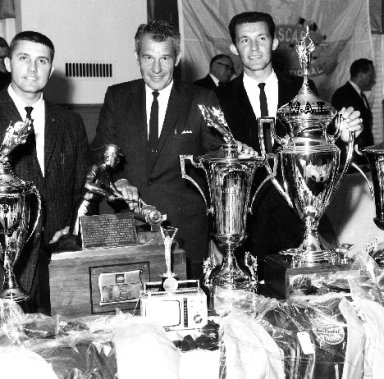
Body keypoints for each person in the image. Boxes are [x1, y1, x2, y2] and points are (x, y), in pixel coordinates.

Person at [91, 21, 254, 280]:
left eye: (164, 58)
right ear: (137, 57)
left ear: (177, 58)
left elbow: (217, 156)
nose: (156, 69)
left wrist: (233, 153)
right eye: (148, 57)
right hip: (128, 225)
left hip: (186, 229)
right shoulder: (117, 96)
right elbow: (101, 150)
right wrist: (119, 180)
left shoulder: (202, 99)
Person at [216, 11, 364, 278]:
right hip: (246, 227)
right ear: (233, 47)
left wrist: (345, 133)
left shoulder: (302, 89)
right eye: (245, 40)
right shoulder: (219, 97)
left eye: (261, 38)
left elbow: (321, 151)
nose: (254, 47)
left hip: (300, 220)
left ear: (274, 43)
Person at [0, 31, 90, 313]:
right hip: (6, 262)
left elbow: (84, 189)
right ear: (7, 63)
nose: (32, 68)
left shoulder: (70, 122)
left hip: (57, 258)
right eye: (23, 58)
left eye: (42, 61)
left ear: (51, 70)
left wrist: (72, 229)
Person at [332, 58, 375, 165]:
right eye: (370, 75)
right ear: (361, 74)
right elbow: (339, 131)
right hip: (352, 160)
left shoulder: (361, 95)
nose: (372, 79)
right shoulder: (342, 94)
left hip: (362, 157)